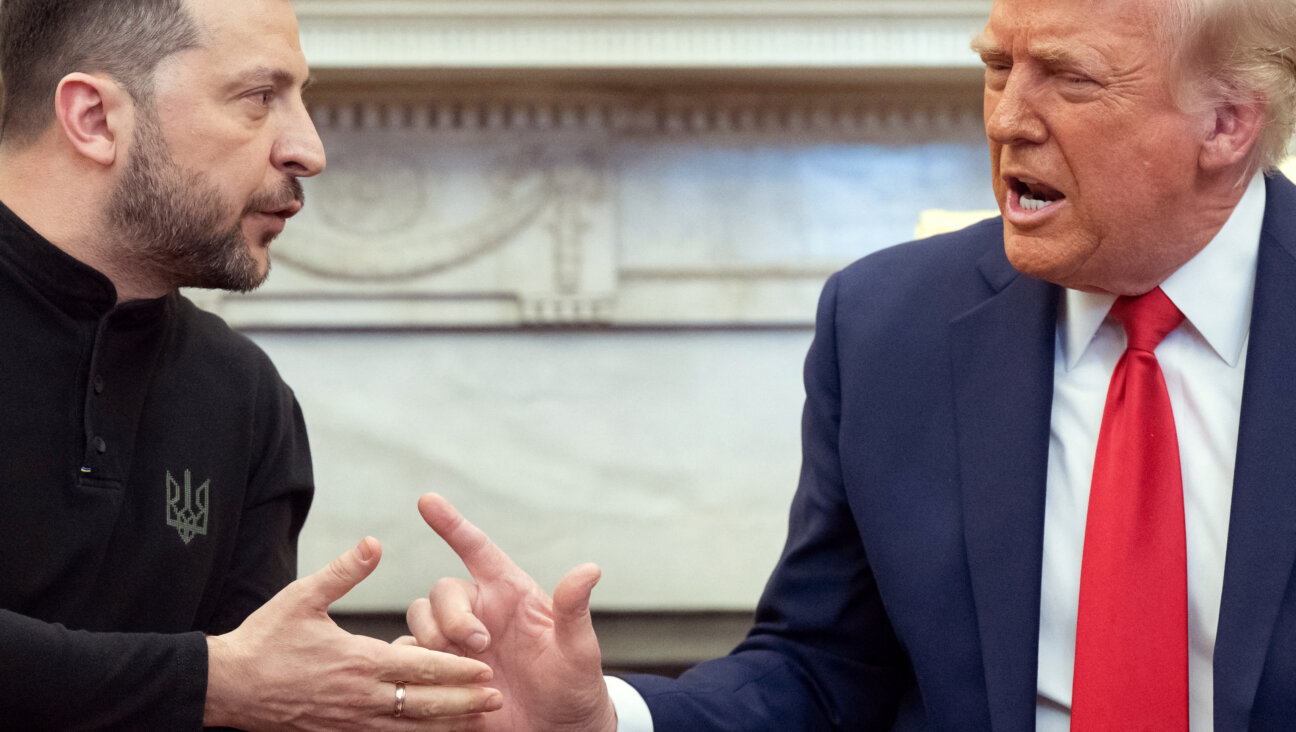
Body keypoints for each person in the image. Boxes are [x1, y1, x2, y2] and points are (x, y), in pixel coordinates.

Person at [407, 0, 1296, 729]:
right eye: (996, 68)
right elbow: (826, 668)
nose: (1007, 119)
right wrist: (601, 716)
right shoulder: (889, 324)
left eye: (1069, 79)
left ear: (1226, 123)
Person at [0, 0, 504, 728]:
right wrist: (205, 682)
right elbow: (231, 685)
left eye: (301, 99)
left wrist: (413, 695)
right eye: (259, 99)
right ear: (94, 119)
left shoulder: (243, 393)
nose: (309, 149)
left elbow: (261, 694)